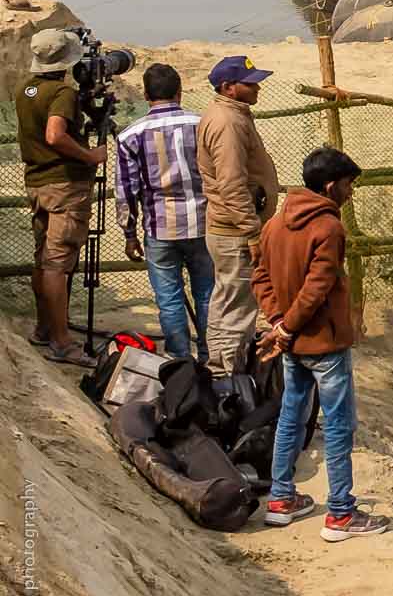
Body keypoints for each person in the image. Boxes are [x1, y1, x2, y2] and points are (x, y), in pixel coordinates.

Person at [254, 146, 389, 543]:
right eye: (348, 185)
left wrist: (279, 323)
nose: (350, 194)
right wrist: (288, 326)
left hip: (293, 345)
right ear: (331, 186)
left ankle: (280, 499)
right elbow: (318, 287)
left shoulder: (275, 225)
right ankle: (341, 514)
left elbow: (259, 275)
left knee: (290, 419)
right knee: (338, 425)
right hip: (323, 345)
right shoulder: (329, 228)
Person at [14, 30, 106, 367]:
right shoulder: (62, 91)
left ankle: (43, 328)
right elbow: (55, 134)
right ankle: (63, 342)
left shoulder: (26, 88)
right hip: (65, 185)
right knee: (58, 264)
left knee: (43, 259)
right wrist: (89, 156)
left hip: (37, 183)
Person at [114, 64, 212, 361]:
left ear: (145, 94)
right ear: (179, 91)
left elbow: (126, 192)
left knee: (169, 301)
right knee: (208, 295)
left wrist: (130, 236)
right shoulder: (202, 124)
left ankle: (180, 360)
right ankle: (212, 356)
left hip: (160, 228)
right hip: (204, 224)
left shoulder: (131, 135)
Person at [197, 54, 280, 376]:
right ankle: (227, 378)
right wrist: (252, 231)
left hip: (229, 227)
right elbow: (230, 183)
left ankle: (221, 368)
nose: (257, 87)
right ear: (228, 87)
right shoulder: (228, 123)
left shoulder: (230, 115)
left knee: (228, 302)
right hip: (234, 232)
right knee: (236, 309)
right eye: (250, 83)